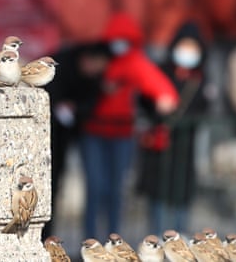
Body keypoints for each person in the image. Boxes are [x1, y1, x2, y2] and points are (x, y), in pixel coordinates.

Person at [80, 12, 179, 240]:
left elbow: (160, 87)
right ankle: (89, 241)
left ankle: (112, 241)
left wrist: (164, 98)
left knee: (115, 191)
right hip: (94, 132)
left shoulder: (135, 61)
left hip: (121, 134)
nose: (118, 44)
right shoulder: (100, 57)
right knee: (95, 188)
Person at [136, 22, 208, 234]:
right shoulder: (161, 70)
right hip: (160, 145)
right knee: (158, 196)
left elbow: (204, 106)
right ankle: (158, 239)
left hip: (185, 148)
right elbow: (144, 98)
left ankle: (180, 238)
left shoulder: (201, 78)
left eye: (192, 47)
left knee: (181, 197)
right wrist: (159, 105)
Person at [43, 42, 111, 239]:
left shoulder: (93, 80)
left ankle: (50, 238)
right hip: (49, 138)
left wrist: (76, 109)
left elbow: (90, 104)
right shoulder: (60, 67)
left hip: (68, 138)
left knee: (56, 189)